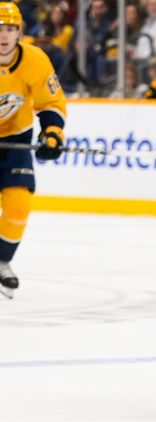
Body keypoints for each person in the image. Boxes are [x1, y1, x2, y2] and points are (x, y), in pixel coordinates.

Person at [0, 2, 66, 298]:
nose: (4, 35)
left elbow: (50, 103)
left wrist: (52, 134)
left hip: (16, 138)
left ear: (19, 32)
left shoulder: (35, 60)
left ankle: (2, 261)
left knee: (19, 204)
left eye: (10, 29)